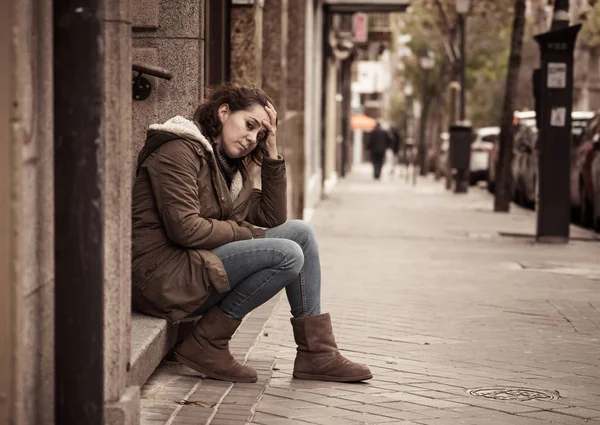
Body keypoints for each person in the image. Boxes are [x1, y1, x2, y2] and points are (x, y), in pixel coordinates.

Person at [131, 83, 372, 384]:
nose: (251, 139)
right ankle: (208, 342)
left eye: (260, 134)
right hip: (160, 276)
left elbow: (273, 216)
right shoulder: (179, 150)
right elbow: (186, 229)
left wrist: (271, 151)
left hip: (194, 264)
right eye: (249, 125)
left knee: (301, 233)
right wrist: (242, 232)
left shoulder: (229, 168)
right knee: (287, 254)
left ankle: (316, 353)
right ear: (223, 112)